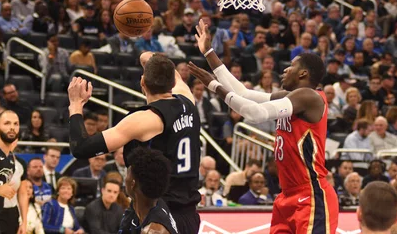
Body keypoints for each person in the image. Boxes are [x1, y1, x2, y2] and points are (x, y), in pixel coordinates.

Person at [189, 21, 338, 233]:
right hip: (287, 195)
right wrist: (208, 52)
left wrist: (214, 86)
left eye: (291, 66)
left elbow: (254, 113)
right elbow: (243, 93)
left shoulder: (310, 97)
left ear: (303, 73)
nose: (285, 69)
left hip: (311, 194)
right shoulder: (292, 97)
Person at [67, 51, 201, 233]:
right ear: (173, 82)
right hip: (188, 213)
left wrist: (75, 104)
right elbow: (151, 58)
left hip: (157, 212)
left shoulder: (145, 120)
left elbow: (81, 148)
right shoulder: (188, 100)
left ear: (142, 83)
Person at [117, 148, 179, 234]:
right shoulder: (139, 205)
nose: (125, 179)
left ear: (133, 184)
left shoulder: (153, 231)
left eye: (127, 175)